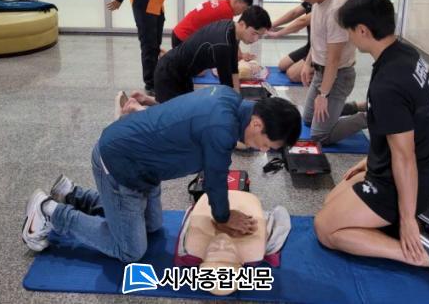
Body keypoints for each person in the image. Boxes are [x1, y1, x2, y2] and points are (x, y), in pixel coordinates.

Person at [21, 86, 301, 264]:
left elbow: (180, 112)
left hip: (146, 169)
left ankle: (73, 194)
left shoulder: (228, 98)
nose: (262, 150)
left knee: (153, 227)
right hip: (120, 165)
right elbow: (215, 179)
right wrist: (224, 217)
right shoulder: (221, 129)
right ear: (257, 123)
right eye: (267, 144)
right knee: (131, 251)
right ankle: (49, 211)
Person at [314, 0, 429, 274]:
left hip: (405, 180)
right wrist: (369, 161)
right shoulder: (404, 53)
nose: (349, 37)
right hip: (408, 171)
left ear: (363, 30)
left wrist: (407, 219)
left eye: (350, 31)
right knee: (330, 202)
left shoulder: (388, 83)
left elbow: (404, 156)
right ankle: (407, 214)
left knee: (325, 228)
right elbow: (411, 124)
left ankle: (417, 251)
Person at [291, 0, 366, 145]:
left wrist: (323, 95)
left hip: (338, 75)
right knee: (308, 119)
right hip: (321, 72)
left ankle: (371, 116)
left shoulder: (336, 10)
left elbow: (334, 59)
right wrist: (308, 63)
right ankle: (356, 106)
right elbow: (318, 38)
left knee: (320, 136)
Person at [137, 5, 272, 105]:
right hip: (169, 74)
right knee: (173, 120)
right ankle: (135, 108)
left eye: (259, 36)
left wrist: (239, 96)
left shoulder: (232, 29)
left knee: (186, 111)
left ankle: (145, 99)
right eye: (254, 33)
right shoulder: (223, 44)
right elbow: (227, 87)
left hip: (182, 74)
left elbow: (233, 69)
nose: (255, 39)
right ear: (242, 24)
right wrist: (240, 105)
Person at [268, 0, 333, 83]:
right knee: (282, 65)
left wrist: (278, 34)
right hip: (311, 46)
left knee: (292, 74)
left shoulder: (328, 3)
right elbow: (294, 13)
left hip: (324, 52)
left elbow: (302, 21)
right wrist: (271, 25)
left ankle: (327, 74)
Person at [172, 0, 254, 48]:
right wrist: (241, 55)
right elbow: (229, 38)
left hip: (178, 32)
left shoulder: (224, 2)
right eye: (243, 8)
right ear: (237, 1)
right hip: (183, 38)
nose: (242, 13)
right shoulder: (226, 12)